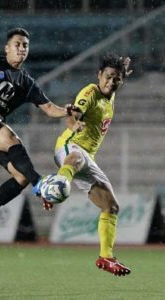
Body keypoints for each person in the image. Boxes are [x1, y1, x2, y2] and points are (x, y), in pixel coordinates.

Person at [0, 27, 75, 243]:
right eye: (17, 44)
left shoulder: (26, 83)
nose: (21, 48)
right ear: (6, 48)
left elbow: (48, 108)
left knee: (21, 176)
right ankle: (40, 184)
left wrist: (66, 111)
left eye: (25, 45)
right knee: (12, 139)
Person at [52, 54, 132, 276]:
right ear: (99, 75)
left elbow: (118, 74)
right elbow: (73, 114)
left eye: (116, 79)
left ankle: (106, 258)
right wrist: (74, 124)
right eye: (107, 77)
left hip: (88, 157)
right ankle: (54, 186)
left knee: (112, 207)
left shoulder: (112, 92)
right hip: (70, 146)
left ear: (122, 80)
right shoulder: (90, 92)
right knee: (77, 158)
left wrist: (122, 69)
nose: (111, 82)